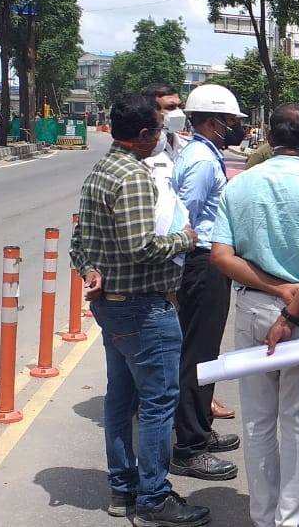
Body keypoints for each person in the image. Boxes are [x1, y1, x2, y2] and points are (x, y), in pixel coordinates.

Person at [209, 103, 299, 527]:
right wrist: (290, 311)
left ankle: (263, 517)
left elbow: (220, 255)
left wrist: (273, 291)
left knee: (256, 422)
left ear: (270, 139)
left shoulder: (239, 186)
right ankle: (291, 520)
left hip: (254, 307)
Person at [69, 93, 207, 527]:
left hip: (117, 308)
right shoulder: (132, 178)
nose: (165, 136)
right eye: (161, 128)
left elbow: (79, 245)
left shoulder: (101, 172)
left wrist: (91, 269)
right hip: (144, 309)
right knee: (157, 403)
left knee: (121, 399)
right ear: (145, 134)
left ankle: (124, 489)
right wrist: (186, 238)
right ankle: (152, 498)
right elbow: (142, 247)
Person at [168, 84, 248, 482]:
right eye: (231, 122)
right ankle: (189, 446)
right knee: (198, 354)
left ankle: (198, 426)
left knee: (205, 352)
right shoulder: (201, 161)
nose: (235, 128)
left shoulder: (203, 154)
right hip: (200, 263)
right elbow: (186, 217)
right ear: (213, 122)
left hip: (205, 262)